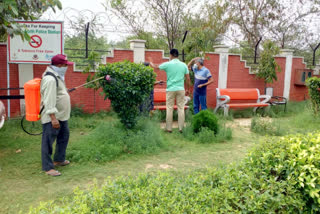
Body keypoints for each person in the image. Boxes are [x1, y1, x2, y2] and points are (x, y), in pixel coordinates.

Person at [40, 54, 72, 176]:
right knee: (48, 141)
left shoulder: (57, 76)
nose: (66, 67)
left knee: (64, 137)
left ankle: (59, 159)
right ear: (59, 65)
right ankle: (48, 168)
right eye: (65, 65)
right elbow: (48, 100)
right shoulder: (50, 79)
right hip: (53, 117)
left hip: (62, 115)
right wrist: (53, 118)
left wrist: (64, 92)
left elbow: (57, 93)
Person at [149, 49, 191, 133]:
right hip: (180, 89)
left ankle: (169, 128)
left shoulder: (168, 64)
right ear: (177, 55)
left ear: (171, 55)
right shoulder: (184, 65)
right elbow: (188, 78)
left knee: (169, 108)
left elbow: (156, 67)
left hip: (170, 89)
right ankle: (181, 128)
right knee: (181, 108)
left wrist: (151, 62)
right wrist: (188, 89)